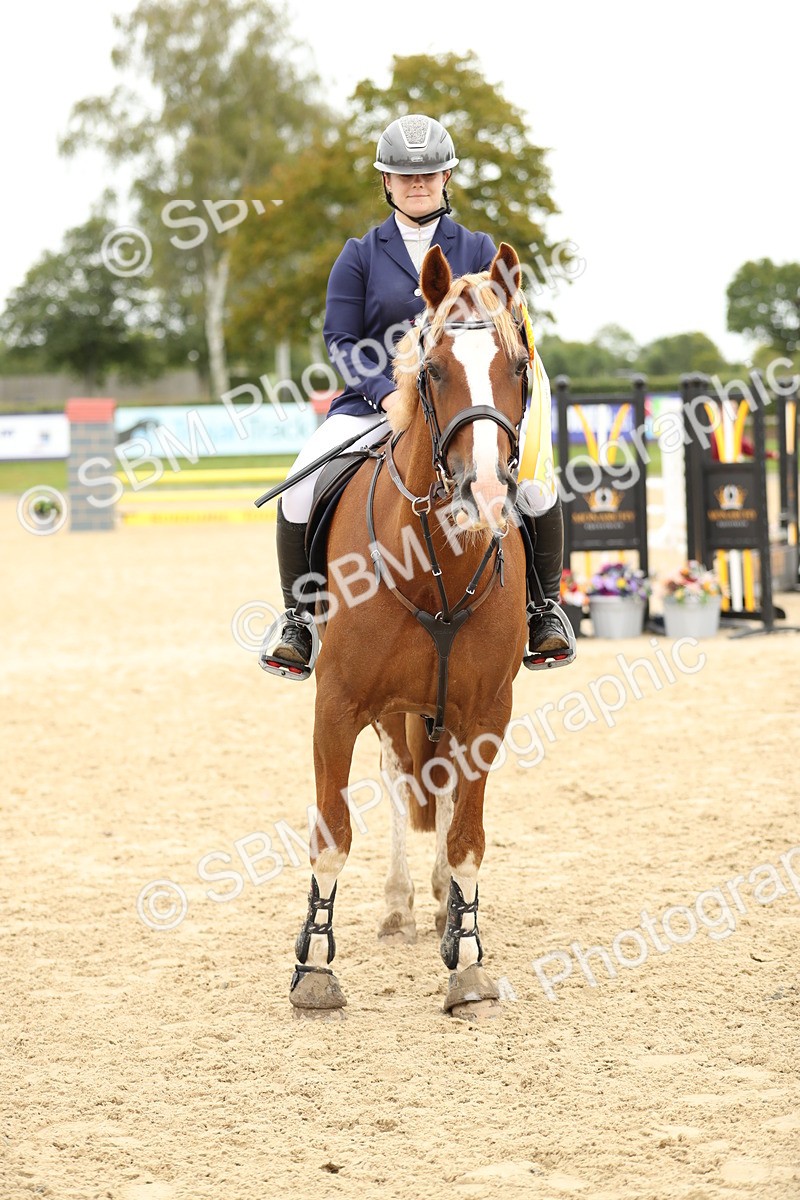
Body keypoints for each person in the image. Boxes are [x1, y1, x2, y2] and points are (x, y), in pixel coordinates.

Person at [263, 113, 571, 675]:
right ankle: (299, 621)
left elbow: (509, 333)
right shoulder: (359, 255)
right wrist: (383, 392)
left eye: (428, 173)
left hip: (463, 409)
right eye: (405, 176)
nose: (418, 183)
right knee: (301, 484)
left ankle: (543, 611)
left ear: (447, 175)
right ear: (386, 182)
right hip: (372, 407)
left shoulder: (478, 249)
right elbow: (340, 338)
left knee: (535, 488)